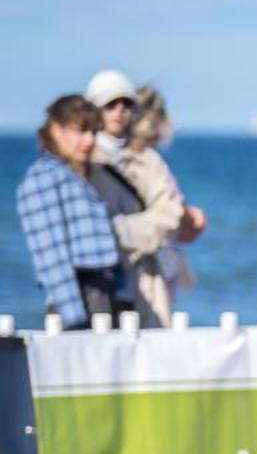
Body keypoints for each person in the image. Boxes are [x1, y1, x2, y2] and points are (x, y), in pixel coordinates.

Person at [85, 71, 202, 326]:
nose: (119, 111)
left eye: (126, 104)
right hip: (94, 286)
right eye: (110, 104)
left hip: (143, 285)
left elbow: (170, 216)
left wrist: (121, 231)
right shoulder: (83, 159)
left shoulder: (148, 161)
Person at [16, 96, 122, 328]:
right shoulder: (42, 178)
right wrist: (74, 319)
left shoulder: (72, 175)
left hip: (98, 291)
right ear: (56, 130)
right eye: (81, 131)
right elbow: (50, 256)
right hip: (76, 296)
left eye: (93, 132)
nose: (89, 140)